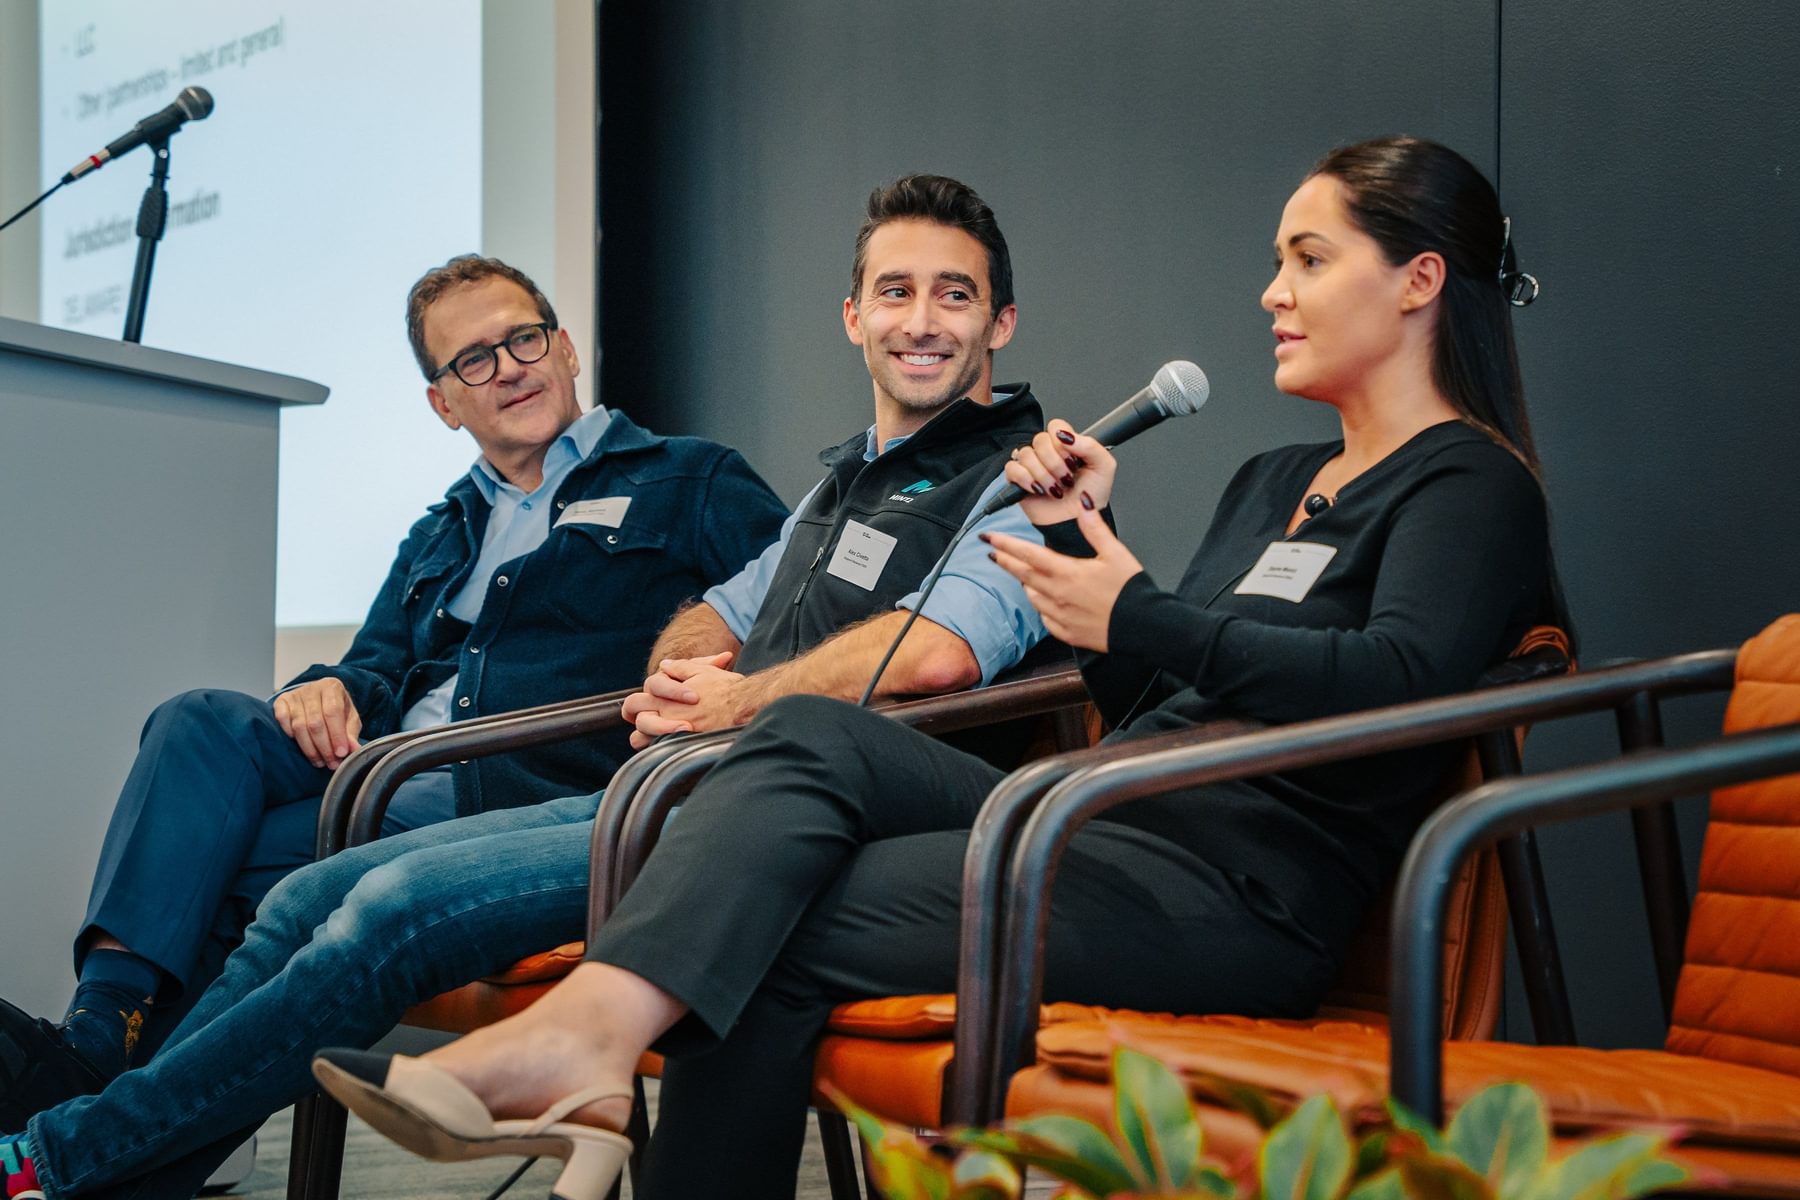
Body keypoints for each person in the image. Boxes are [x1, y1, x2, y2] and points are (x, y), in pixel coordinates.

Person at [307, 135, 1572, 1200]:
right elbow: (1162, 703)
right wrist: (1089, 549)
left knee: (768, 927)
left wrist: (1136, 610)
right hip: (1114, 819)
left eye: (1307, 259)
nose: (1272, 293)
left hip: (1237, 892)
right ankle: (584, 1049)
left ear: (1417, 281)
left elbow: (1397, 685)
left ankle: (581, 1044)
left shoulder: (1471, 483)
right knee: (801, 738)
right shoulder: (1274, 480)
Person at [0, 174, 1053, 1200]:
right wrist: (688, 667)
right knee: (299, 891)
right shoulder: (839, 484)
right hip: (672, 787)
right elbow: (725, 607)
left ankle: (59, 1153)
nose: (922, 319)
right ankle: (93, 1137)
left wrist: (735, 703)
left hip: (744, 813)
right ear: (854, 318)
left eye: (952, 293)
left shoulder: (1024, 477)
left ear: (998, 322)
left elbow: (942, 650)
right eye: (896, 292)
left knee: (387, 902)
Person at [0, 253, 788, 1118]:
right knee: (197, 722)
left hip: (522, 801)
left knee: (225, 880)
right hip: (384, 779)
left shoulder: (691, 479)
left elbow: (789, 621)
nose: (509, 368)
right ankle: (94, 1042)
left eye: (522, 339)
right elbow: (374, 666)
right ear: (444, 404)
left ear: (564, 349)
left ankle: (77, 1104)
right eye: (473, 360)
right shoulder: (443, 526)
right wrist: (326, 688)